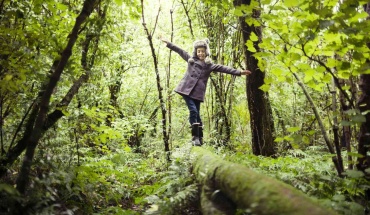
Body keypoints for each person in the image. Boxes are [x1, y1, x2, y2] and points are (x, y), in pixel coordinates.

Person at [160, 37, 251, 146]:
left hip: (198, 93)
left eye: (202, 51)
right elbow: (180, 51)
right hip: (186, 90)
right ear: (196, 52)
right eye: (199, 51)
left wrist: (239, 72)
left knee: (197, 114)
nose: (201, 53)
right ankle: (195, 137)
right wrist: (168, 44)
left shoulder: (209, 66)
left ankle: (200, 137)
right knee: (193, 111)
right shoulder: (191, 60)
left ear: (206, 52)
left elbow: (224, 68)